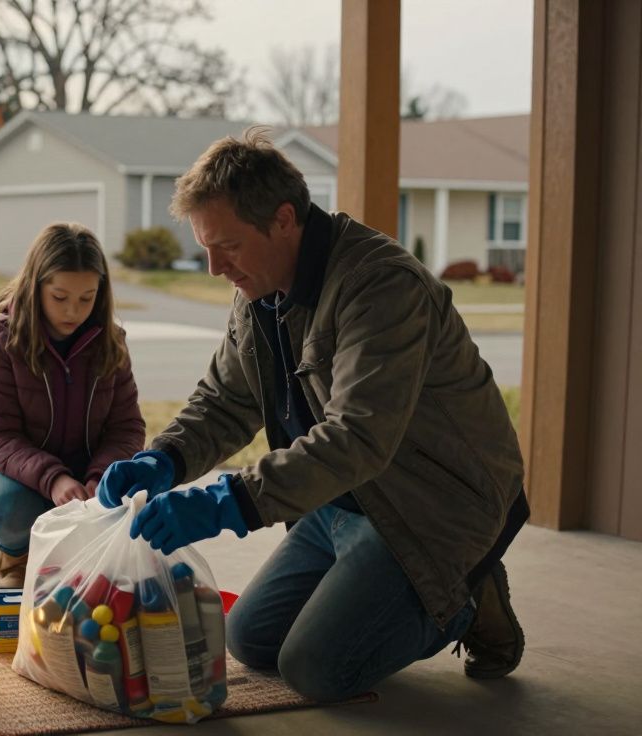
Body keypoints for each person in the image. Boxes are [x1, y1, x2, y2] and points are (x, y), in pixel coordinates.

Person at [97, 127, 529, 701]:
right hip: (339, 502)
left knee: (316, 669)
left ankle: (465, 597)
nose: (212, 267)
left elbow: (358, 438)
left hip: (430, 505)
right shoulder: (259, 287)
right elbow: (225, 399)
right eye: (206, 246)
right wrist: (164, 459)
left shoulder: (381, 287)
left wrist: (227, 501)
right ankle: (401, 589)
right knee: (250, 639)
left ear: (282, 220)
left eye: (225, 245)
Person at [0, 223, 146, 587]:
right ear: (35, 287)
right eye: (60, 297)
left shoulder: (112, 345)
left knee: (129, 494)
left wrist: (100, 476)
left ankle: (83, 571)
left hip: (87, 468)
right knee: (12, 508)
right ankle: (17, 563)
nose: (73, 311)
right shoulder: (3, 342)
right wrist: (53, 478)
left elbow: (127, 427)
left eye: (87, 297)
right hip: (15, 472)